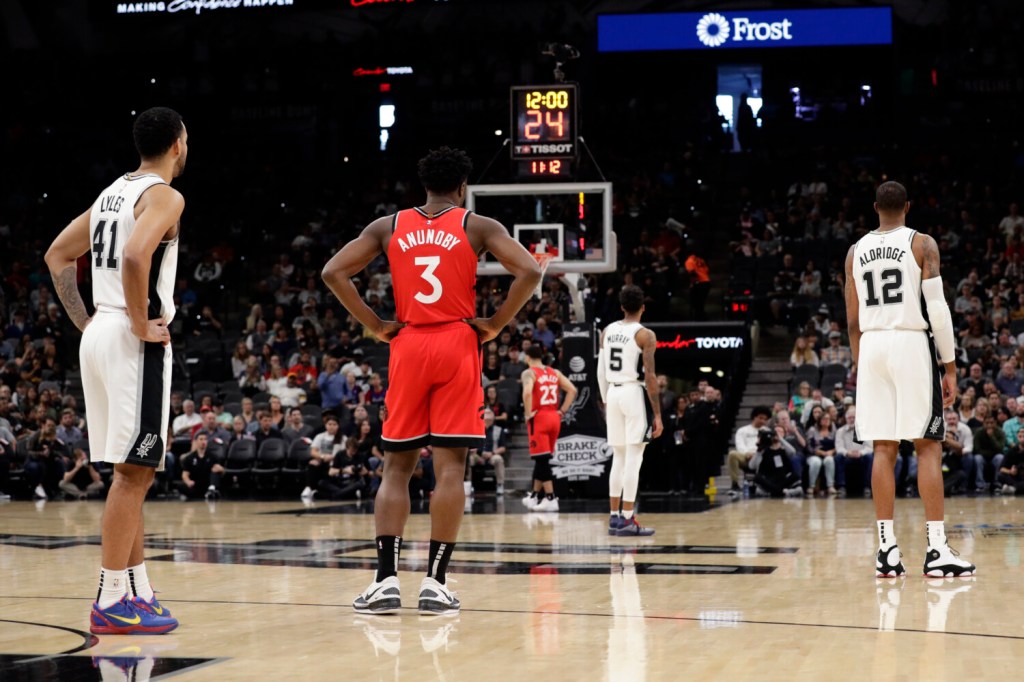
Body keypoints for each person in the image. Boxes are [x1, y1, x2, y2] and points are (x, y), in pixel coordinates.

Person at [322, 146, 541, 615]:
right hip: (458, 343)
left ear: (424, 184)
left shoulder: (389, 226)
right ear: (463, 187)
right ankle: (435, 582)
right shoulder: (476, 225)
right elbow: (530, 270)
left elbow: (333, 272)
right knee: (450, 470)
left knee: (396, 467)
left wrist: (376, 324)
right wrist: (498, 322)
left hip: (409, 343)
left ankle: (384, 581)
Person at [44, 107, 184, 633]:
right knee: (133, 472)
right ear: (177, 144)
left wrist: (87, 323)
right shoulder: (165, 195)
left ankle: (138, 590)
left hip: (100, 331)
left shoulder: (110, 192)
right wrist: (142, 321)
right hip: (128, 333)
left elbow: (57, 256)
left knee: (133, 470)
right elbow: (133, 257)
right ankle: (108, 598)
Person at [845, 180, 974, 578]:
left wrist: (860, 363)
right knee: (928, 446)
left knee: (883, 448)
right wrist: (949, 365)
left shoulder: (854, 252)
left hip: (871, 346)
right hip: (909, 342)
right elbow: (938, 309)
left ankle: (886, 551)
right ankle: (936, 550)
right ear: (908, 207)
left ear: (874, 208)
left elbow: (851, 320)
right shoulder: (922, 244)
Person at [598, 285, 664, 537]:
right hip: (633, 393)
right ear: (643, 307)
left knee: (619, 457)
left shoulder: (607, 331)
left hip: (612, 393)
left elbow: (600, 371)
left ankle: (614, 517)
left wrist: (605, 400)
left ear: (622, 307)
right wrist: (657, 414)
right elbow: (650, 376)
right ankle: (627, 519)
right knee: (634, 459)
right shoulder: (645, 335)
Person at [520, 345, 577, 511]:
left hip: (539, 418)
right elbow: (572, 390)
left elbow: (527, 393)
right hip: (554, 417)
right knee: (542, 459)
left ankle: (551, 498)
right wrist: (562, 411)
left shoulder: (529, 372)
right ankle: (533, 496)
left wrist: (527, 413)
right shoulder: (555, 372)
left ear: (528, 357)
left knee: (542, 460)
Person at [725, 406, 771, 497]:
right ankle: (734, 484)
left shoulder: (767, 431)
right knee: (732, 454)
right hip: (747, 457)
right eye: (760, 418)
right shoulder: (742, 430)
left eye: (765, 419)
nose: (763, 421)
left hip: (762, 457)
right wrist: (747, 453)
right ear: (754, 417)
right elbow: (740, 445)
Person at [467, 409, 508, 495]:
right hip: (478, 455)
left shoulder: (499, 430)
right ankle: (469, 484)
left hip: (492, 455)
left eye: (489, 413)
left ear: (493, 417)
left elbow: (503, 448)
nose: (487, 414)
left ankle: (500, 484)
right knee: (470, 459)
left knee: (498, 459)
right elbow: (470, 446)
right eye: (485, 413)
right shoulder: (476, 428)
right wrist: (479, 452)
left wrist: (492, 453)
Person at [177, 433, 225, 501]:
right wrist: (188, 482)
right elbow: (185, 474)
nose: (203, 441)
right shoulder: (189, 458)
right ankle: (205, 495)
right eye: (201, 439)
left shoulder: (213, 456)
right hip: (196, 484)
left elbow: (222, 472)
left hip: (208, 483)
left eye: (205, 439)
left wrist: (221, 469)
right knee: (180, 486)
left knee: (216, 473)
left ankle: (211, 491)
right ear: (196, 441)